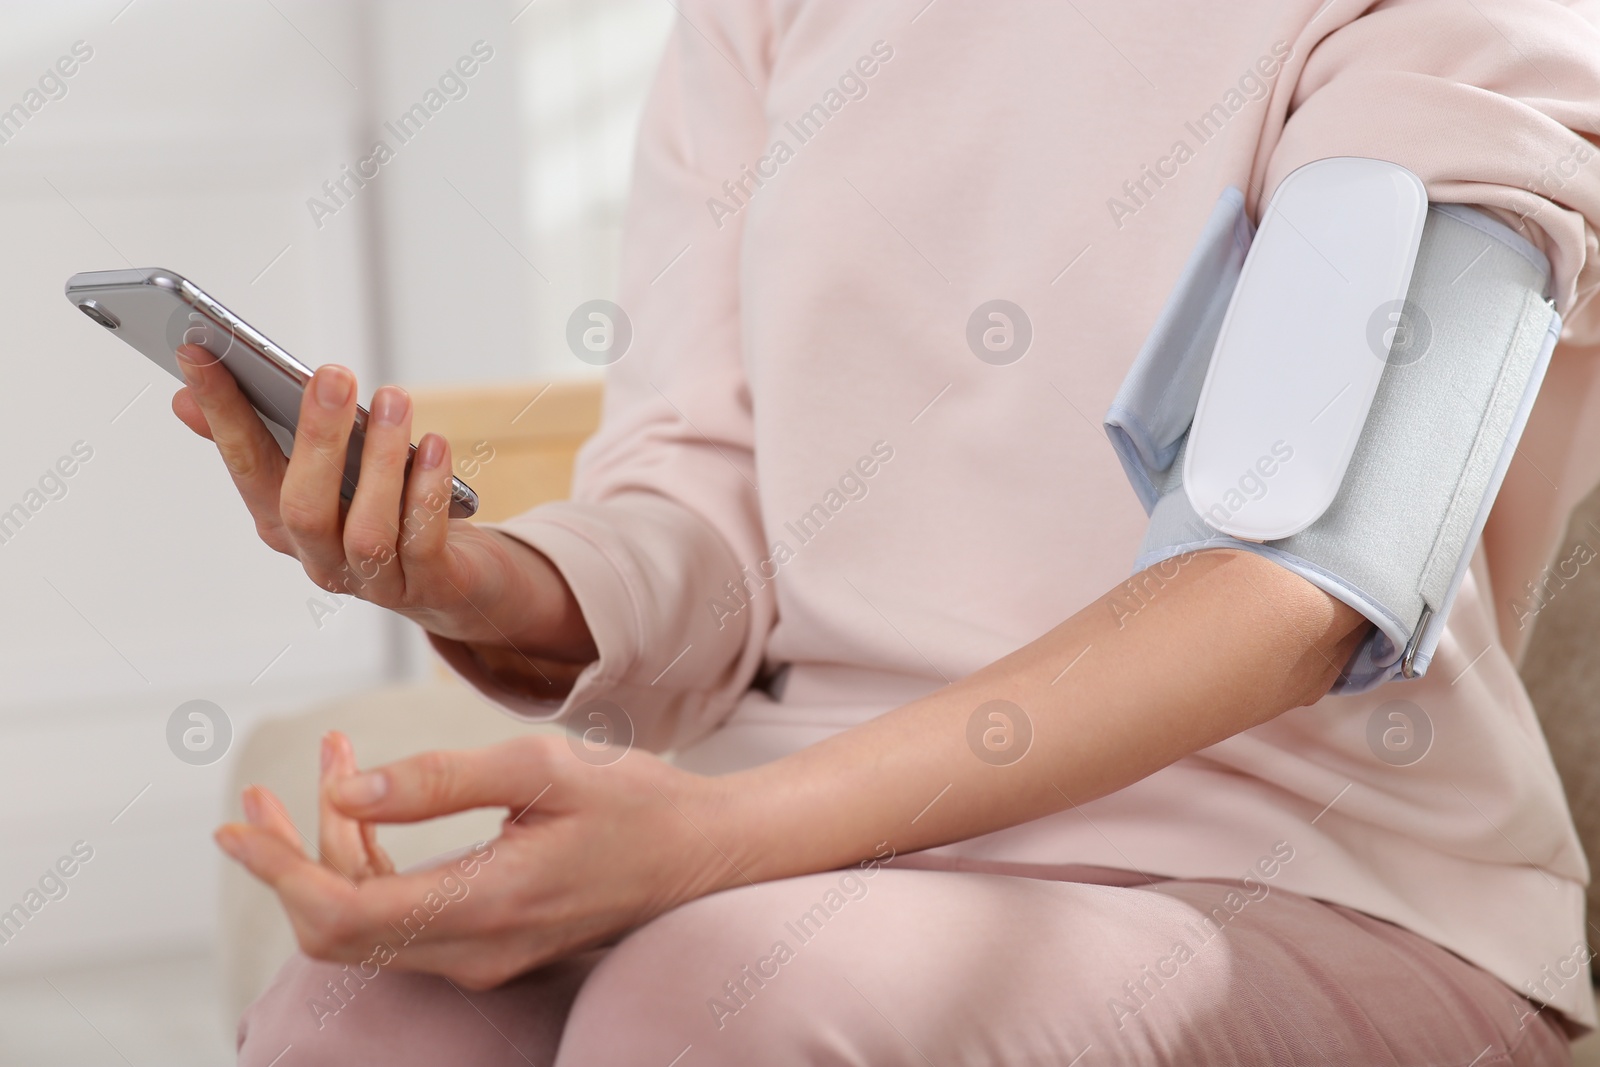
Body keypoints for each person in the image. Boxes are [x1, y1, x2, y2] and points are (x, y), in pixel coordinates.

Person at [183, 1, 1600, 1063]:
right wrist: (485, 579)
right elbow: (701, 496)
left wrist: (720, 838)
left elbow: (1301, 578)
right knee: (353, 1023)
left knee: (716, 1006)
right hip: (813, 860)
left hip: (1295, 866)